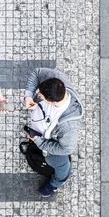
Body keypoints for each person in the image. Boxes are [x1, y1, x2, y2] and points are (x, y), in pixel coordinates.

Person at [23, 68, 84, 198]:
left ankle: (55, 184)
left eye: (42, 97)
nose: (39, 96)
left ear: (51, 101)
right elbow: (37, 73)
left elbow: (65, 149)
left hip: (51, 149)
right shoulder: (56, 80)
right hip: (38, 134)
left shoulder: (69, 128)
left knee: (62, 168)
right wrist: (28, 95)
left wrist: (40, 142)